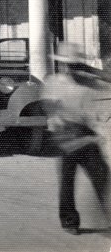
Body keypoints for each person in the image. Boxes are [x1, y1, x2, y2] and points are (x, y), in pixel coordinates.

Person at [43, 42, 111, 234]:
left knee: (103, 177)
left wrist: (91, 70)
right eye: (69, 65)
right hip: (66, 134)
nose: (71, 68)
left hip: (87, 134)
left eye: (75, 65)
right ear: (63, 65)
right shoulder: (54, 82)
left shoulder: (88, 81)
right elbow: (48, 105)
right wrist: (57, 120)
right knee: (67, 181)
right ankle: (69, 222)